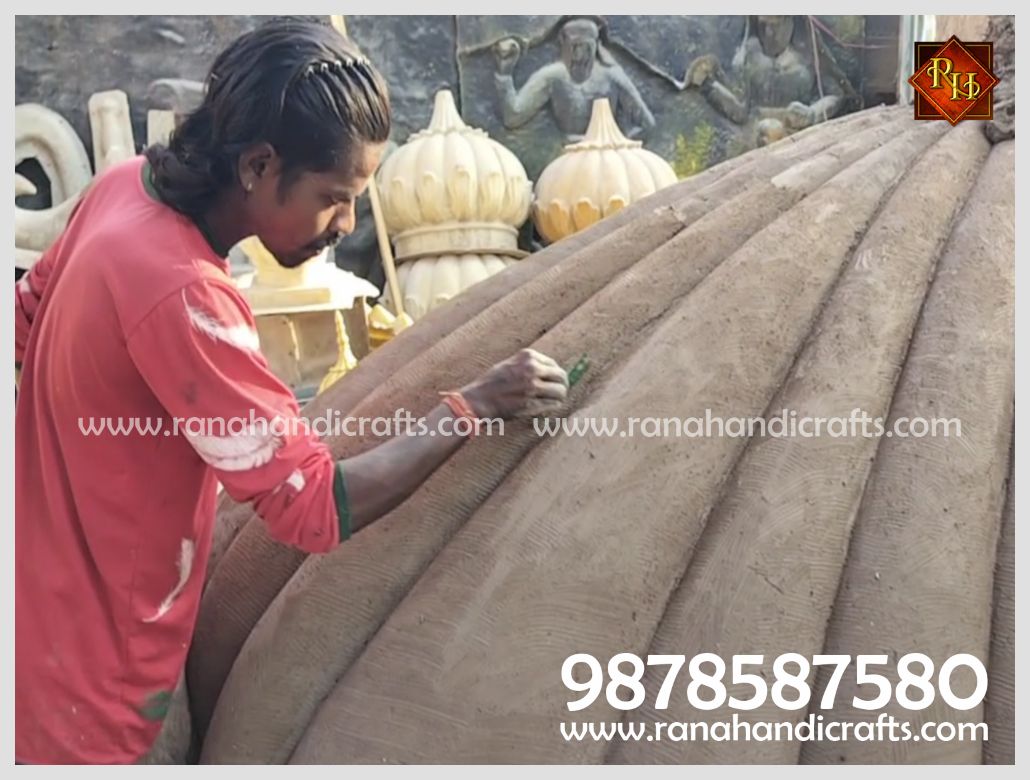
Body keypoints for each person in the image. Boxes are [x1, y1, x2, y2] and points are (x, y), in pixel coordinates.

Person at [14, 18, 568, 764]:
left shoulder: (120, 190)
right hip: (103, 688)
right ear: (258, 164)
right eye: (332, 197)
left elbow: (26, 320)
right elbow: (316, 506)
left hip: (38, 621)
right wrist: (474, 406)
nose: (343, 224)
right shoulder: (185, 295)